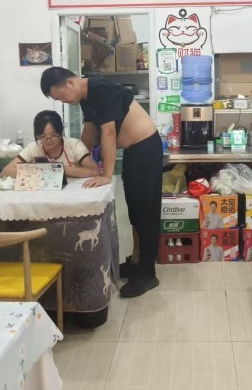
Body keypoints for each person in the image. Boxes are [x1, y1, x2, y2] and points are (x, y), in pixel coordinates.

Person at [40, 67, 162, 298]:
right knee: (135, 211)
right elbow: (89, 132)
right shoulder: (87, 98)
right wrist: (80, 161)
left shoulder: (100, 88)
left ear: (69, 83)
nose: (63, 101)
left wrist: (106, 174)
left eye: (60, 96)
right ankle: (137, 260)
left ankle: (148, 273)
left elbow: (108, 133)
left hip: (146, 148)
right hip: (134, 151)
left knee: (146, 211)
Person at [1, 110, 99, 179]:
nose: (48, 140)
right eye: (43, 136)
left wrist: (60, 168)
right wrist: (38, 169)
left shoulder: (75, 145)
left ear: (60, 132)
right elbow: (6, 171)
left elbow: (94, 171)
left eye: (53, 135)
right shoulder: (34, 147)